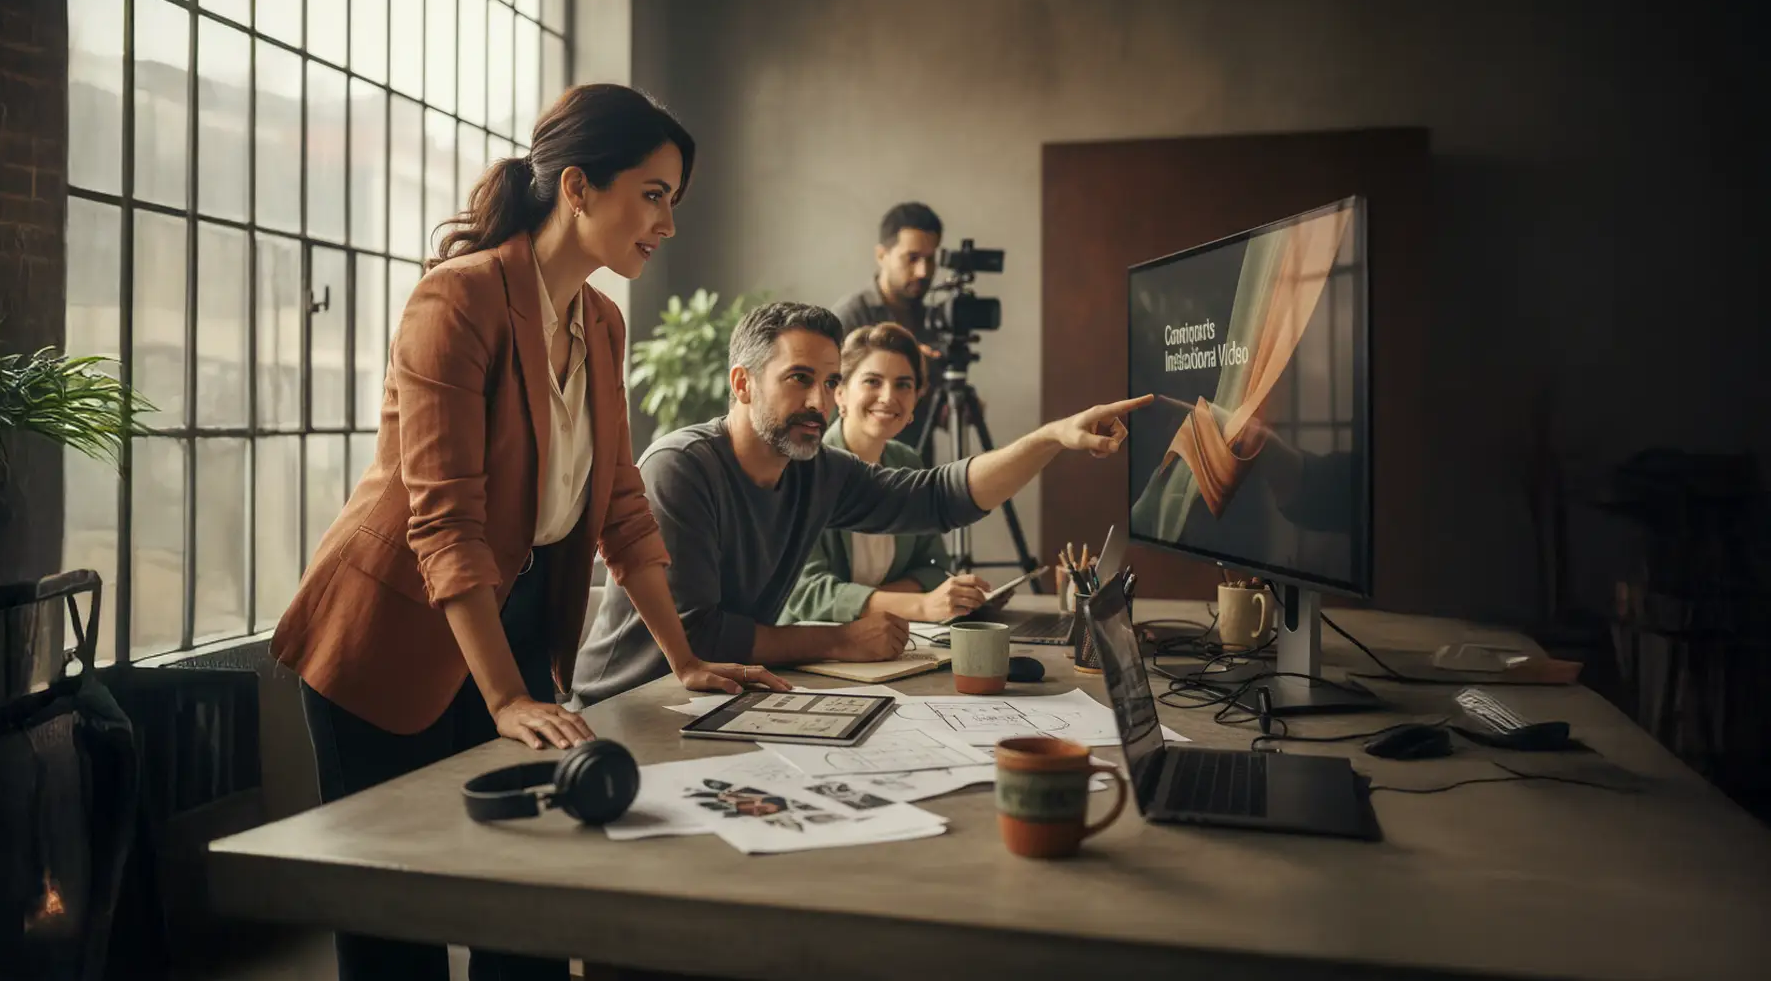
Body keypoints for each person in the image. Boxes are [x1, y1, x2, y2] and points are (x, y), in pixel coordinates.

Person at [269, 84, 785, 981]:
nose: (666, 223)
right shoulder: (456, 301)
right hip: (388, 636)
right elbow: (445, 524)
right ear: (578, 188)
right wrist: (506, 701)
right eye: (653, 194)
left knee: (529, 911)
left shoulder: (603, 321)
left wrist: (687, 658)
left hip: (506, 627)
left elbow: (622, 504)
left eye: (674, 201)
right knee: (401, 922)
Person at [571, 302, 1149, 706]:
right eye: (799, 379)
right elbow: (701, 636)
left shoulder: (816, 470)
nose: (819, 401)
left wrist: (1050, 438)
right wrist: (839, 638)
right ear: (743, 384)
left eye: (828, 382)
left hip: (728, 696)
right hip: (632, 705)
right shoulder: (681, 469)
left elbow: (941, 497)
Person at [780, 322, 995, 627]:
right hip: (809, 645)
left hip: (890, 636)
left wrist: (870, 603)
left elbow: (934, 567)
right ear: (839, 392)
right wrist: (916, 605)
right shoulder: (803, 468)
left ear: (915, 402)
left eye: (904, 384)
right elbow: (806, 591)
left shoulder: (906, 462)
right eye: (872, 381)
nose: (888, 396)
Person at [832, 202, 943, 448]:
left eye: (930, 259)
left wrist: (946, 409)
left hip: (915, 463)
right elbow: (826, 399)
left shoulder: (934, 318)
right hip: (858, 464)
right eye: (912, 258)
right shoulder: (851, 316)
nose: (923, 271)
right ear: (882, 255)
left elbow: (929, 402)